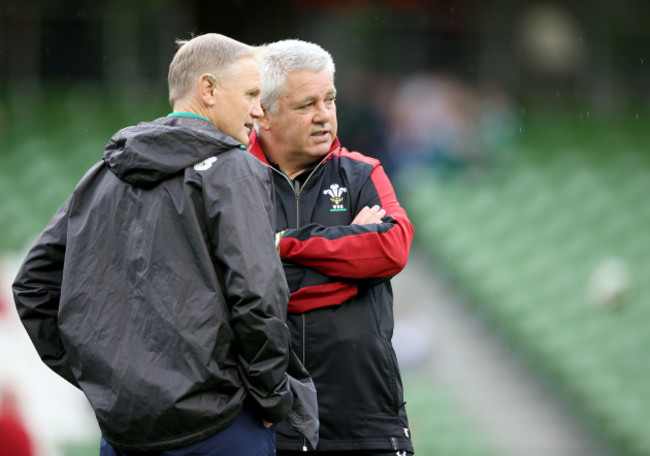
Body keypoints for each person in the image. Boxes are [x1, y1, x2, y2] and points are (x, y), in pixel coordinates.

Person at [12, 33, 317, 456]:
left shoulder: (104, 173)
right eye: (250, 93)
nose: (257, 110)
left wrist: (109, 384)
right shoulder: (235, 169)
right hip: (220, 429)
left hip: (126, 434)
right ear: (207, 89)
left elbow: (32, 286)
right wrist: (271, 398)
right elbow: (259, 295)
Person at [249, 39, 415, 455]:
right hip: (269, 420)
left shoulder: (363, 174)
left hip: (369, 418)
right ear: (263, 115)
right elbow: (239, 286)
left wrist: (284, 245)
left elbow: (391, 248)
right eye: (307, 105)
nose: (324, 115)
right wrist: (350, 272)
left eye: (330, 99)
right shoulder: (231, 182)